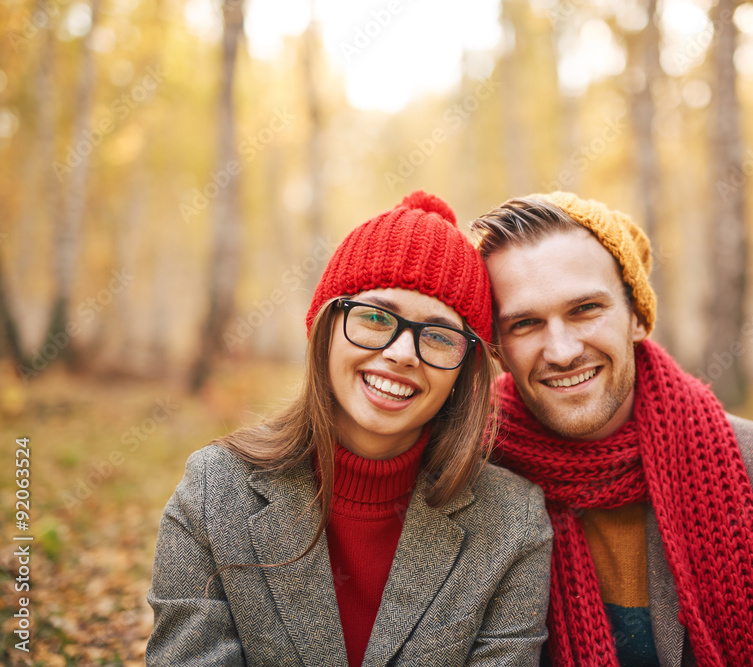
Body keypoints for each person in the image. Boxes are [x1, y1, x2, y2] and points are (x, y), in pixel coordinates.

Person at [147, 191, 553, 667]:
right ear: (327, 326)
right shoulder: (214, 491)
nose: (401, 353)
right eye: (376, 317)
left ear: (466, 369)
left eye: (439, 336)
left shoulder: (514, 523)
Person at [470, 192, 753, 667]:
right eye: (525, 323)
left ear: (637, 316)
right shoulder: (468, 475)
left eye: (585, 309)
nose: (561, 351)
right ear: (497, 348)